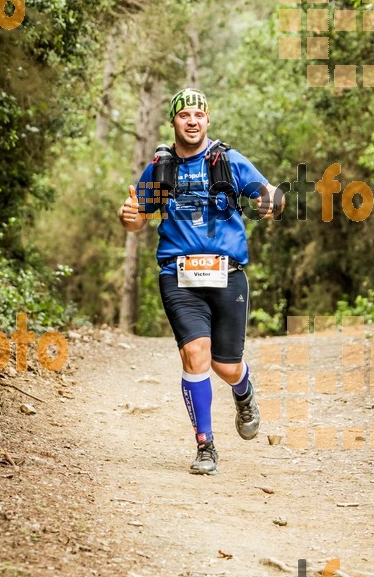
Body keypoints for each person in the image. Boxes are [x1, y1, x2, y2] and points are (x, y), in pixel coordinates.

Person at [118, 87, 284, 475]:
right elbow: (137, 217)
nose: (192, 121)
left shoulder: (228, 161)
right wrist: (130, 216)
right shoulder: (160, 167)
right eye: (184, 115)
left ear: (207, 120)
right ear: (173, 121)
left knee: (226, 367)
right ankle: (205, 445)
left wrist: (272, 202)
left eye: (198, 114)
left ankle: (243, 392)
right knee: (195, 355)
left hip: (228, 275)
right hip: (178, 276)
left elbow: (270, 196)